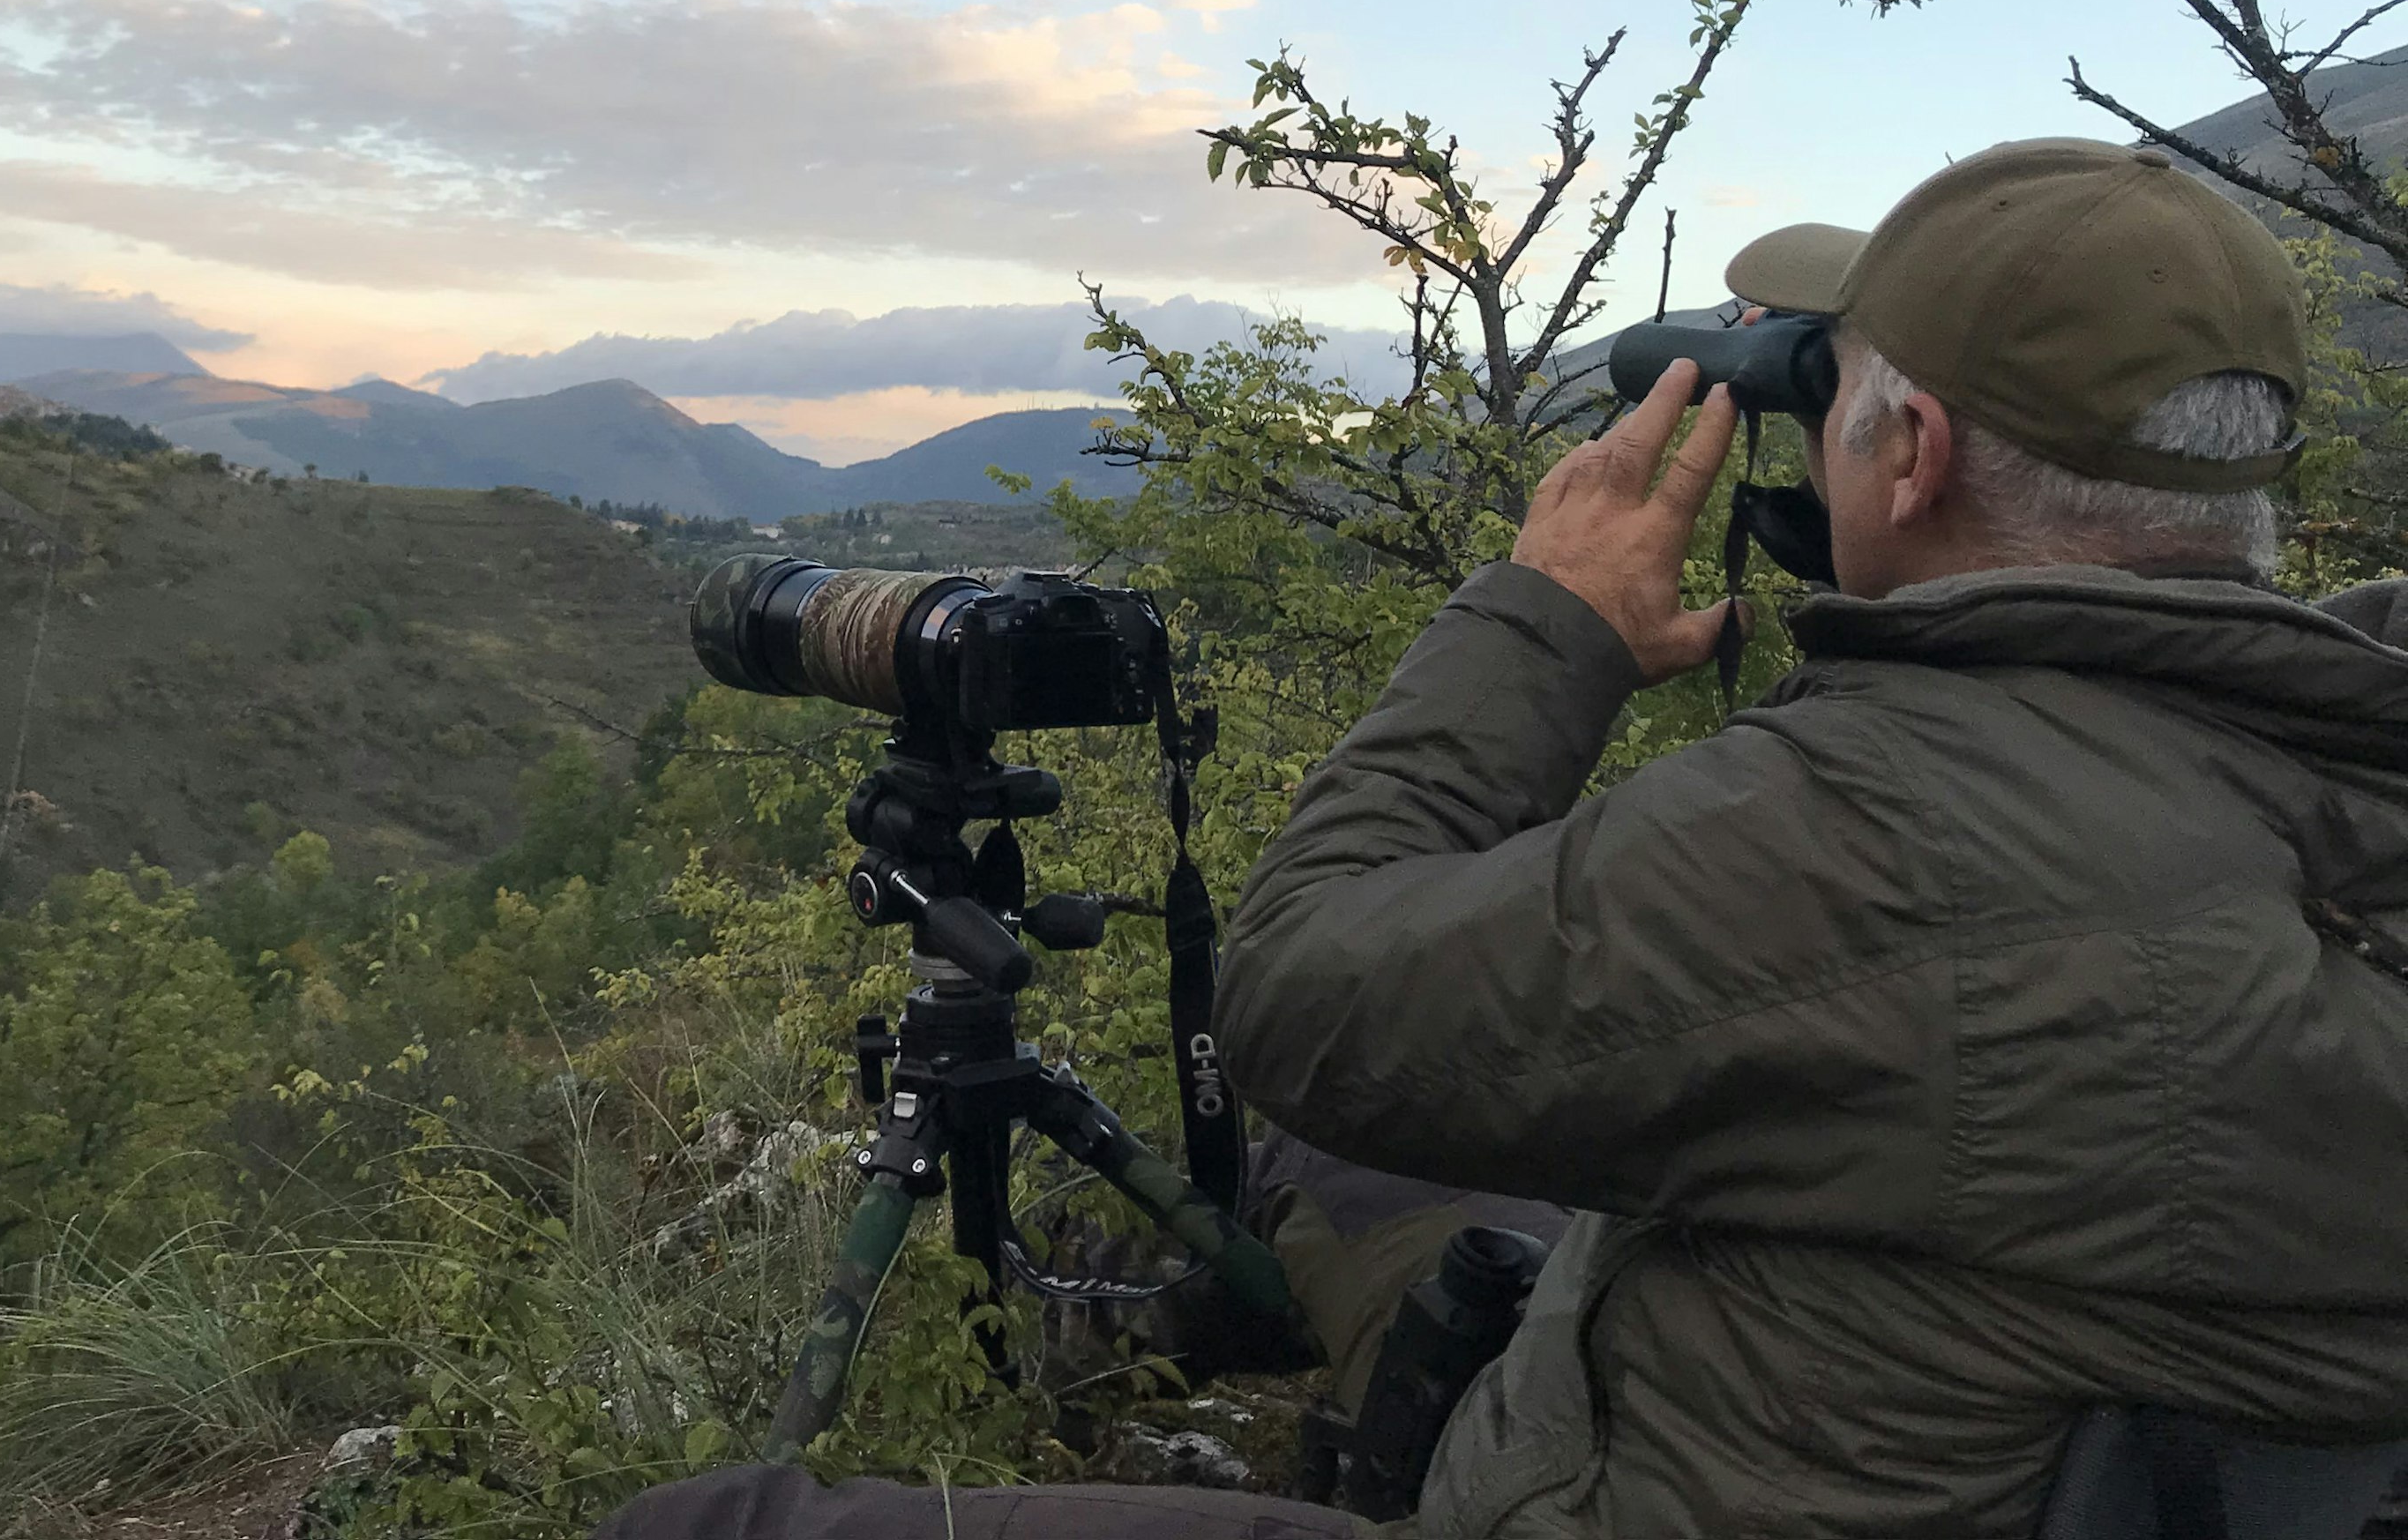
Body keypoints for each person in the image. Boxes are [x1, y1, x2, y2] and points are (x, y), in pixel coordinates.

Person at [602, 138, 2408, 1540]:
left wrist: (1551, 625)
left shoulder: (1875, 839)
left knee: (709, 1527)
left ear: (1911, 449)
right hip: (1935, 1409)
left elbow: (1297, 994)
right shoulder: (2326, 766)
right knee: (1355, 1170)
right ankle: (1222, 1324)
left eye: (1825, 386)